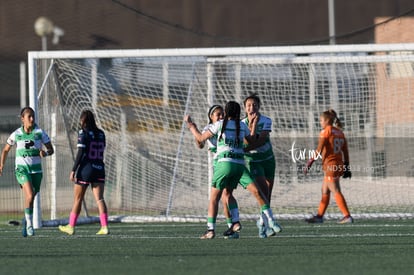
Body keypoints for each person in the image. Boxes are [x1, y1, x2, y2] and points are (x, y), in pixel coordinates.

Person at [185, 101, 280, 239]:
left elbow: (200, 138)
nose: (221, 116)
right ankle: (234, 226)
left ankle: (212, 229)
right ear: (211, 116)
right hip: (236, 163)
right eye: (218, 114)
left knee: (221, 196)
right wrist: (252, 125)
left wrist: (191, 126)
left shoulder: (224, 125)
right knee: (226, 196)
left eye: (223, 113)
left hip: (225, 164)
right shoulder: (225, 126)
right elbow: (200, 143)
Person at [0, 107, 54, 237]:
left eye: (33, 116)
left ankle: (26, 220)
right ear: (22, 118)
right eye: (29, 116)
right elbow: (6, 150)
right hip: (21, 169)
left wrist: (45, 153)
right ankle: (30, 224)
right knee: (29, 195)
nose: (32, 119)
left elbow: (51, 150)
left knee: (31, 198)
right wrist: (1, 164)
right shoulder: (16, 133)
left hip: (36, 171)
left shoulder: (40, 133)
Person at [59, 110, 109, 235]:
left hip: (86, 168)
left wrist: (73, 170)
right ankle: (104, 227)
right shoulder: (101, 133)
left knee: (78, 199)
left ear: (83, 121)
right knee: (100, 199)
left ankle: (71, 226)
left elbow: (81, 153)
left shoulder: (83, 133)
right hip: (99, 167)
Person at [304, 109, 353, 224]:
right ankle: (319, 216)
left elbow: (319, 148)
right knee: (325, 190)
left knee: (335, 190)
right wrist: (346, 167)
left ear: (327, 120)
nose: (320, 123)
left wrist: (310, 162)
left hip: (331, 165)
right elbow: (345, 151)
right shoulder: (340, 132)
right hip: (338, 164)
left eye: (321, 120)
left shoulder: (326, 131)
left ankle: (347, 216)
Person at [242, 94, 278, 237]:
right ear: (245, 108)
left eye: (255, 104)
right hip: (253, 161)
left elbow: (261, 141)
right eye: (249, 105)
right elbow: (246, 142)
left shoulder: (266, 120)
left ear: (259, 106)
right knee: (262, 191)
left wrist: (243, 149)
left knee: (268, 194)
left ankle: (261, 222)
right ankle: (268, 225)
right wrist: (246, 147)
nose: (252, 107)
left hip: (268, 159)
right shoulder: (242, 124)